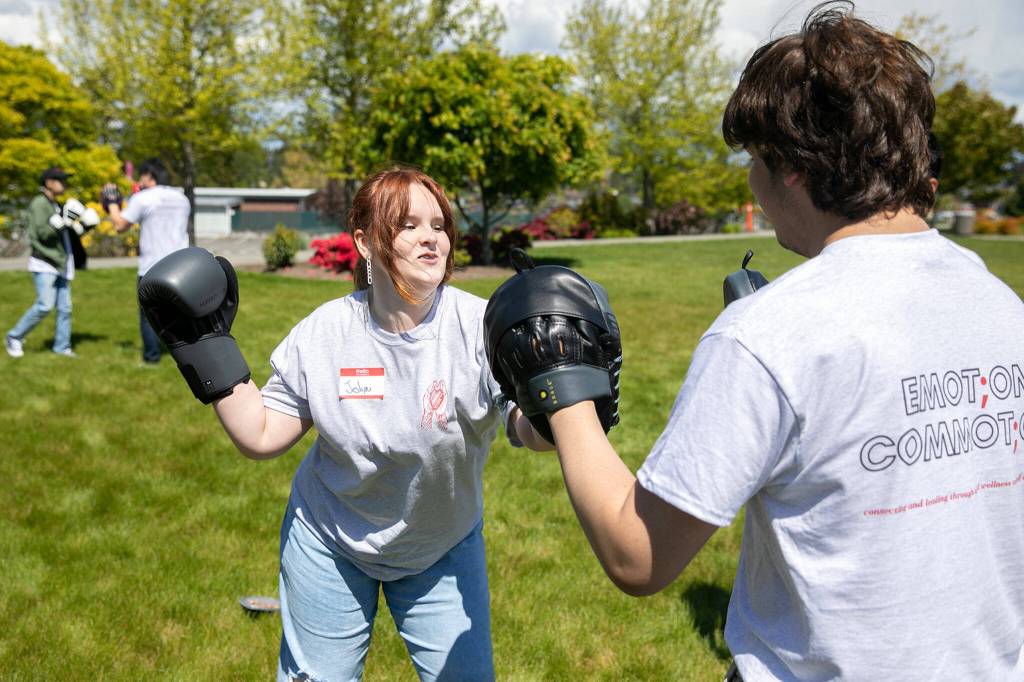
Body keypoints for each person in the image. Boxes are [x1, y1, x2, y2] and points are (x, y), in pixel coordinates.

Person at [488, 3, 1024, 680]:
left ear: (792, 166)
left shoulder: (771, 335)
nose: (752, 180)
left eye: (754, 160)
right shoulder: (1000, 303)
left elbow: (638, 555)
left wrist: (560, 388)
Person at [137, 166, 553, 681]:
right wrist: (205, 349)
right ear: (364, 241)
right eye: (407, 225)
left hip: (440, 546)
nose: (431, 237)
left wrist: (562, 404)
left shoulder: (481, 326)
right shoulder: (326, 332)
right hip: (329, 541)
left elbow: (525, 428)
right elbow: (262, 435)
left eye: (439, 225)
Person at [5, 166, 98, 358]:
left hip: (61, 262)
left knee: (65, 308)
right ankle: (14, 336)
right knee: (44, 305)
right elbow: (41, 234)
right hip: (45, 261)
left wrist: (83, 226)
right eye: (60, 180)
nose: (64, 184)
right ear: (48, 182)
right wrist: (63, 222)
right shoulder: (40, 203)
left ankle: (61, 347)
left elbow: (63, 233)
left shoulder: (55, 204)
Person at [105, 157, 189, 364]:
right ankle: (187, 353)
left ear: (149, 176)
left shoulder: (144, 198)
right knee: (181, 314)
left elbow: (120, 225)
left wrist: (112, 204)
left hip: (152, 266)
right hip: (181, 265)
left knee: (149, 315)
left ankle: (152, 357)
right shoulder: (181, 197)